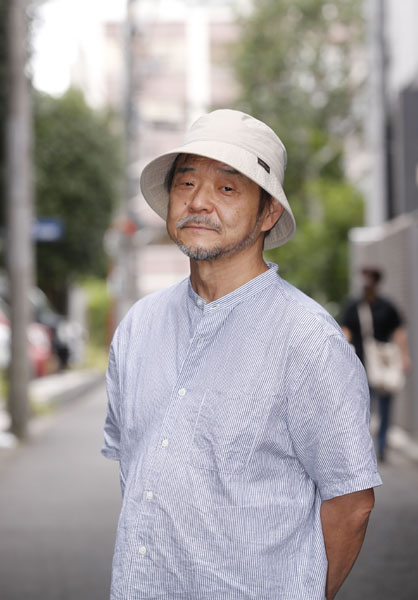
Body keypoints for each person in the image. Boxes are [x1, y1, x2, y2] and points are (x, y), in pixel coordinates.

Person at [102, 109, 382, 600]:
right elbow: (136, 467)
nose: (199, 202)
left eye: (228, 188)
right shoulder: (139, 327)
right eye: (186, 182)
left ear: (268, 213)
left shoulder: (307, 340)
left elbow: (352, 503)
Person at [341, 266, 411, 462]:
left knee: (385, 408)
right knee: (362, 408)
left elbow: (399, 332)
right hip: (361, 366)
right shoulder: (354, 306)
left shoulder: (387, 306)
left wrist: (404, 357)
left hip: (383, 365)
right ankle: (363, 447)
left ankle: (381, 447)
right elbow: (345, 332)